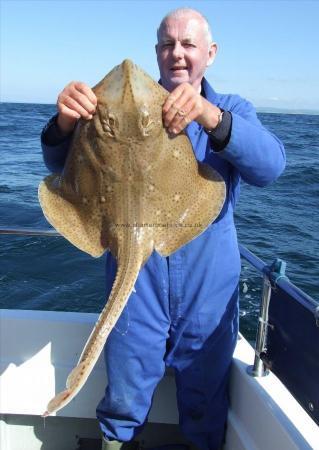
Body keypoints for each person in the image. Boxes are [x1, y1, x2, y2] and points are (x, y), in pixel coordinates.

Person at [41, 8, 286, 450]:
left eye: (188, 45)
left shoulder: (231, 108)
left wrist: (211, 117)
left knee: (203, 402)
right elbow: (60, 168)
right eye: (168, 44)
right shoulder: (108, 109)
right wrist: (65, 122)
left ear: (209, 54)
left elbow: (270, 166)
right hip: (136, 285)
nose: (177, 53)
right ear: (157, 51)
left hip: (208, 289)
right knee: (124, 399)